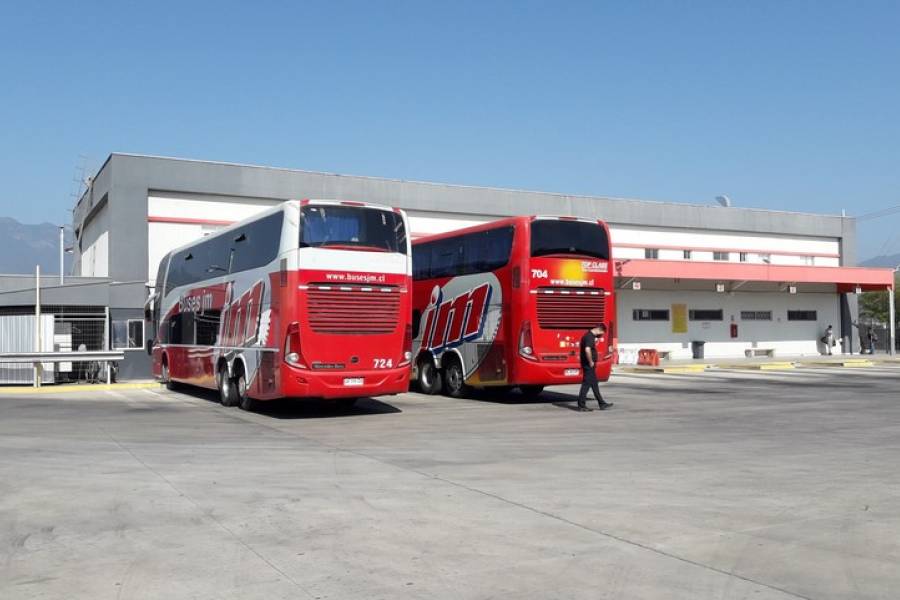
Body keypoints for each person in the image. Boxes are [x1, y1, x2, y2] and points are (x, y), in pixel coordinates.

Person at [577, 324, 613, 412]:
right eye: (602, 333)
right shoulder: (589, 336)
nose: (601, 335)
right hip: (589, 364)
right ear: (599, 330)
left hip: (589, 364)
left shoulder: (589, 336)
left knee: (594, 384)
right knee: (586, 384)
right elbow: (587, 349)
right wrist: (590, 361)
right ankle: (581, 405)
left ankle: (602, 403)